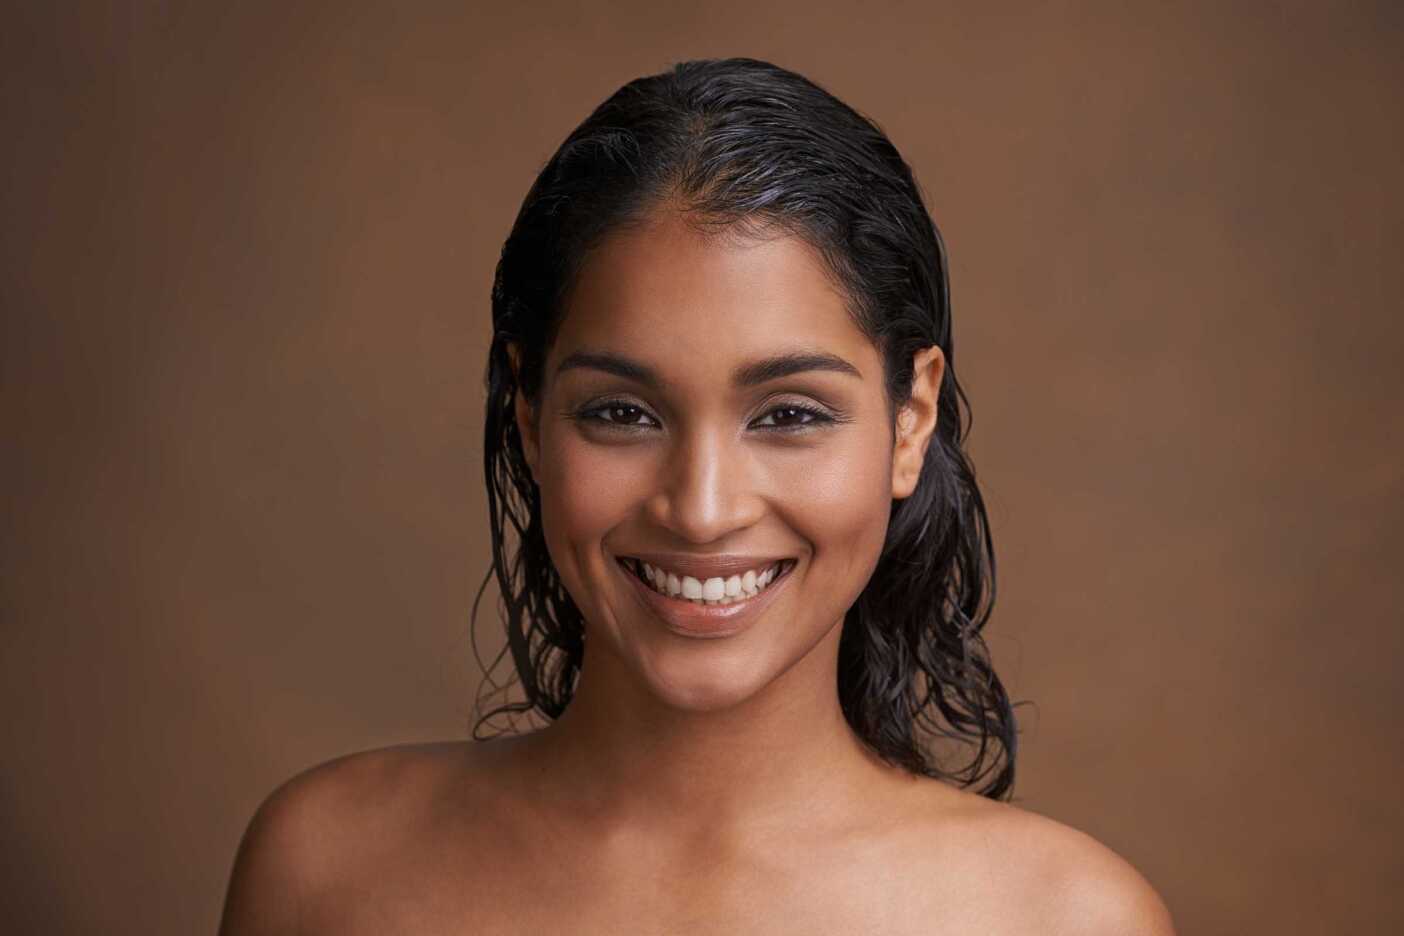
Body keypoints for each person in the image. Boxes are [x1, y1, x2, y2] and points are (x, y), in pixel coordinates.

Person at [219, 57, 1176, 934]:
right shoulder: (326, 871)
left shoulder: (1063, 920)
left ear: (911, 419)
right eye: (623, 414)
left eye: (790, 414)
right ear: (528, 416)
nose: (703, 507)